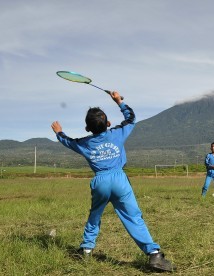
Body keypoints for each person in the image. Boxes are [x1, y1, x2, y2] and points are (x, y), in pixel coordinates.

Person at [51, 91, 175, 272]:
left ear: (87, 128)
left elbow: (67, 141)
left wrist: (58, 132)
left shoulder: (85, 143)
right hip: (119, 180)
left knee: (95, 216)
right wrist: (119, 101)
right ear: (108, 123)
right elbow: (131, 118)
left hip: (100, 181)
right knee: (133, 217)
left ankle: (86, 250)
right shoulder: (117, 133)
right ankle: (154, 254)